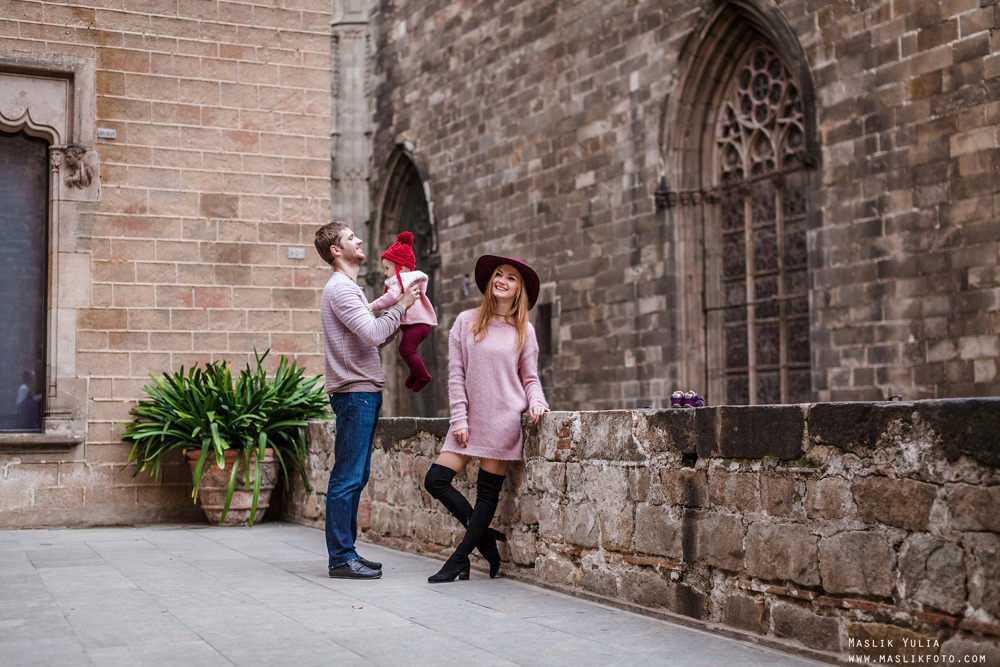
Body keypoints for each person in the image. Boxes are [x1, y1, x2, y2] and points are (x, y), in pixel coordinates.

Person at [423, 255, 549, 583]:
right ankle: (484, 537)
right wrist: (459, 419)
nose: (501, 280)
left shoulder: (524, 330)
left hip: (504, 418)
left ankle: (458, 560)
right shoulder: (466, 321)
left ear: (519, 289)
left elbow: (530, 378)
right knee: (435, 480)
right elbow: (455, 374)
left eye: (510, 277)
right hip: (470, 419)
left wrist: (537, 402)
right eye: (498, 274)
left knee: (487, 493)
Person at [314, 221, 421, 580]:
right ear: (335, 250)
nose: (359, 241)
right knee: (346, 476)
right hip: (354, 393)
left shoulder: (351, 289)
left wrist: (395, 317)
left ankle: (348, 552)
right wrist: (402, 305)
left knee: (357, 475)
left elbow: (373, 337)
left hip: (364, 391)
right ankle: (341, 558)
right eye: (350, 238)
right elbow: (375, 333)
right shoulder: (341, 290)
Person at [366, 232, 438, 393]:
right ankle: (415, 372)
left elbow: (390, 297)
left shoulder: (401, 281)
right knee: (407, 351)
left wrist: (374, 305)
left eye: (387, 268)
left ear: (402, 267)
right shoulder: (407, 280)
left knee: (406, 350)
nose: (385, 273)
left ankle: (423, 376)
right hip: (417, 326)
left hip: (417, 325)